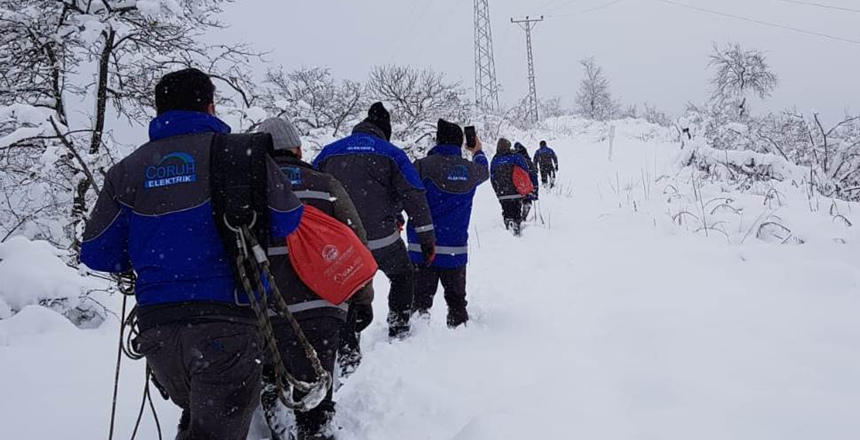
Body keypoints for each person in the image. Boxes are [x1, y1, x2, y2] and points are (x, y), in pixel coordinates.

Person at [80, 68, 304, 440]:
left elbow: (96, 253)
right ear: (210, 106)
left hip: (159, 334)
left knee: (201, 422)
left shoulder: (128, 171)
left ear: (159, 110)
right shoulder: (240, 155)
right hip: (228, 323)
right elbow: (287, 218)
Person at [255, 118, 374, 440]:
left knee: (271, 374)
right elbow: (355, 244)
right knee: (318, 379)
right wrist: (362, 300)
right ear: (297, 149)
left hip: (269, 308)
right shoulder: (325, 184)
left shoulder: (245, 189)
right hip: (324, 306)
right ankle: (316, 429)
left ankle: (280, 427)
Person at [314, 102, 435, 339]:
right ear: (384, 131)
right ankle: (398, 328)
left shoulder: (329, 153)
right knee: (402, 275)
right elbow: (414, 195)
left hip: (342, 243)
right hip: (382, 239)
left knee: (346, 286)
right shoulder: (392, 154)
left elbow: (310, 188)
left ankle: (349, 334)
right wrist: (426, 237)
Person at [407, 119, 488, 328]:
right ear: (460, 143)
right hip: (455, 251)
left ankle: (414, 345)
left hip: (421, 249)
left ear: (438, 140)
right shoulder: (471, 170)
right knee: (457, 304)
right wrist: (477, 150)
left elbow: (404, 193)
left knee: (418, 305)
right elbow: (485, 170)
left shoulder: (422, 166)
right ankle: (458, 342)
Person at [491, 138, 532, 236]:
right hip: (516, 192)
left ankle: (508, 224)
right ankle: (516, 226)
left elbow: (492, 177)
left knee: (506, 210)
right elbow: (525, 171)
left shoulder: (495, 160)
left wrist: (497, 191)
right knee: (516, 210)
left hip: (502, 194)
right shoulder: (515, 157)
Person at [513, 142, 540, 220]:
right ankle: (523, 216)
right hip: (526, 186)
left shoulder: (513, 159)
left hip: (515, 187)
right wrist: (535, 190)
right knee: (526, 200)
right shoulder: (528, 161)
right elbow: (534, 176)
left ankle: (517, 219)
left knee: (516, 202)